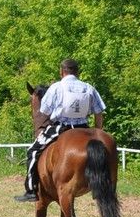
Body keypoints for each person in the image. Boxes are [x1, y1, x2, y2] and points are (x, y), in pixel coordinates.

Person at [15, 58, 106, 202]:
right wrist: (97, 132)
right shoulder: (89, 88)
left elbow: (44, 110)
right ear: (78, 72)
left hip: (61, 127)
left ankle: (31, 189)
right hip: (84, 128)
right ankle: (101, 185)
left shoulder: (57, 87)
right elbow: (99, 112)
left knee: (32, 151)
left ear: (61, 71)